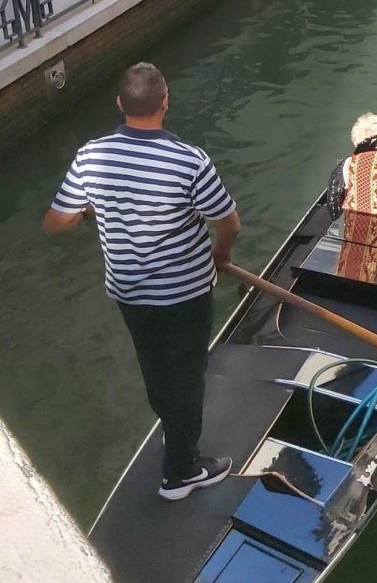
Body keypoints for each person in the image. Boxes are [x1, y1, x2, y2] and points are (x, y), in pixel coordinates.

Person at [42, 63, 241, 501]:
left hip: (129, 292)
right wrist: (221, 253)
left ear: (120, 105)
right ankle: (181, 473)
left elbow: (55, 221)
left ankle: (174, 429)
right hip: (185, 293)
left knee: (156, 369)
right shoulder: (190, 160)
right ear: (165, 102)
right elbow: (229, 222)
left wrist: (88, 211)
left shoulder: (91, 156)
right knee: (187, 377)